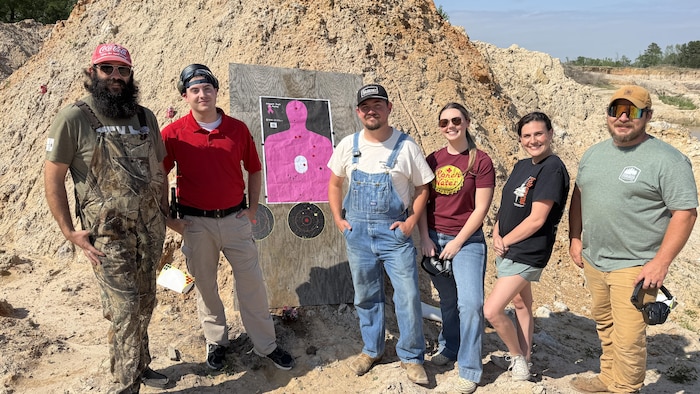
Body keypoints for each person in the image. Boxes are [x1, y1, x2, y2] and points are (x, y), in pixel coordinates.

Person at [44, 43, 170, 392]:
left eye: (122, 70)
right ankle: (126, 384)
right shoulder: (74, 117)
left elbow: (159, 168)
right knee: (125, 306)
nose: (115, 76)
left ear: (130, 75)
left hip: (150, 230)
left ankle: (138, 364)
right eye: (107, 69)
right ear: (93, 72)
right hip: (107, 237)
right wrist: (69, 231)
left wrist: (165, 212)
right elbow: (53, 176)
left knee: (145, 300)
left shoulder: (145, 117)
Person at [161, 64, 294, 372]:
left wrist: (251, 209)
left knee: (252, 285)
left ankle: (265, 345)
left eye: (207, 88)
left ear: (216, 91)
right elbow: (157, 175)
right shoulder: (173, 134)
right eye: (194, 90)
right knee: (206, 286)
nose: (202, 94)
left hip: (235, 220)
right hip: (196, 224)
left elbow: (255, 167)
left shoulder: (237, 129)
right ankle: (217, 341)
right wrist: (168, 219)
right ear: (185, 96)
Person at [568, 86, 697, 393]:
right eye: (617, 110)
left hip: (637, 266)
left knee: (628, 338)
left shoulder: (668, 160)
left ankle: (625, 387)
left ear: (648, 116)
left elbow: (685, 214)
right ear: (609, 115)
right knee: (605, 324)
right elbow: (579, 194)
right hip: (595, 259)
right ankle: (607, 377)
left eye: (634, 111)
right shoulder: (594, 153)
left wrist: (660, 263)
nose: (623, 117)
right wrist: (575, 237)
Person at [327, 84, 434, 385]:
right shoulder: (349, 145)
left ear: (389, 108)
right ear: (358, 112)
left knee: (408, 296)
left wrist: (411, 220)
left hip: (394, 235)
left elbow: (423, 187)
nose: (371, 110)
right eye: (365, 106)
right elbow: (334, 184)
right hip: (358, 234)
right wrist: (338, 218)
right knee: (366, 295)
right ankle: (372, 349)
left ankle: (411, 357)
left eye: (378, 104)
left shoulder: (406, 146)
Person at [483, 112, 570, 382]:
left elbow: (537, 219)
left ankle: (517, 356)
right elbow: (506, 206)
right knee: (521, 304)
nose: (533, 140)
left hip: (527, 251)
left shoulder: (552, 168)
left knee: (492, 310)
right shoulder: (523, 165)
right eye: (527, 135)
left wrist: (505, 241)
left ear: (551, 133)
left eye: (538, 134)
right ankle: (526, 358)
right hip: (508, 247)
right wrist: (497, 232)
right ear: (520, 139)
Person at [417, 102, 495, 393]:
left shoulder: (480, 161)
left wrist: (458, 242)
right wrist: (425, 238)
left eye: (456, 120)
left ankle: (470, 368)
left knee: (471, 303)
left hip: (468, 241)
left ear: (467, 121)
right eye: (444, 122)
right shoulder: (432, 159)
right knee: (448, 301)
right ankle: (449, 347)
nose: (450, 126)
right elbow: (423, 203)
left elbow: (481, 209)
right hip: (434, 240)